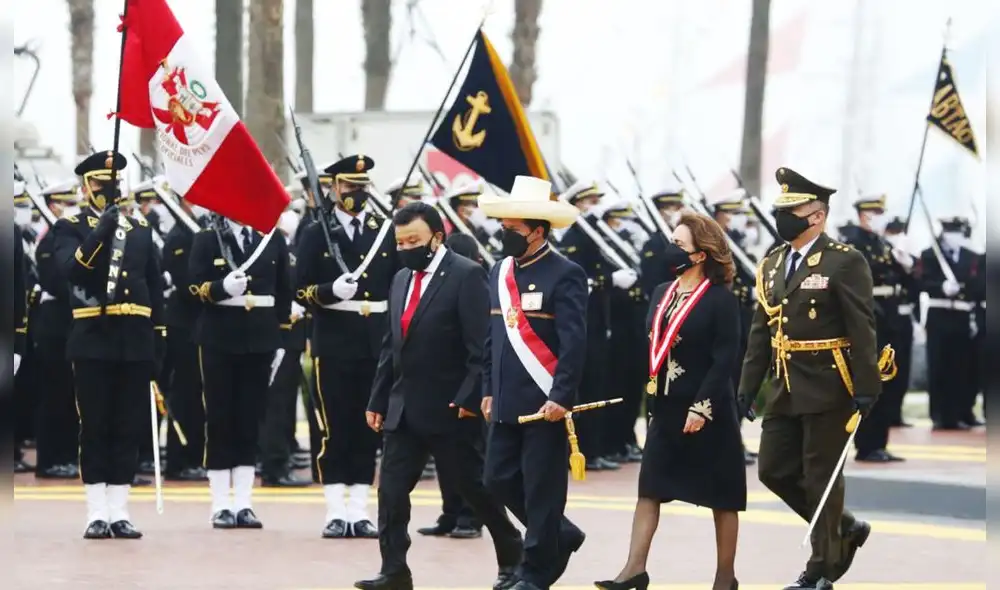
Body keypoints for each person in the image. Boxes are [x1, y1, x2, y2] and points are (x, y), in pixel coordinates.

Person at [355, 202, 522, 590]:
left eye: (413, 240)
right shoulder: (400, 279)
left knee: (473, 489)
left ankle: (511, 551)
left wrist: (468, 398)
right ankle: (394, 569)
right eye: (400, 242)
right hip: (403, 408)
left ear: (437, 237)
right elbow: (390, 346)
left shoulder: (466, 275)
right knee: (391, 492)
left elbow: (481, 346)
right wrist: (378, 399)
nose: (406, 247)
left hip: (451, 409)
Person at [737, 167, 881, 590]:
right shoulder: (773, 262)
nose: (783, 218)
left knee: (821, 476)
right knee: (773, 470)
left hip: (829, 382)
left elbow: (862, 327)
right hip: (784, 385)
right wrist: (747, 387)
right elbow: (761, 331)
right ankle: (845, 529)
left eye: (791, 210)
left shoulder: (844, 260)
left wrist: (867, 386)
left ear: (816, 216)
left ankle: (821, 569)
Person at [596, 211, 746, 590]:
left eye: (678, 244)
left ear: (700, 255)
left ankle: (725, 578)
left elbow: (725, 358)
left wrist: (703, 405)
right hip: (665, 407)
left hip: (706, 408)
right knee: (650, 489)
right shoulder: (664, 291)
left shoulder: (720, 299)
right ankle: (633, 570)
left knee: (722, 495)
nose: (669, 250)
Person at [50, 151, 166, 539]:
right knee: (95, 425)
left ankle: (119, 509)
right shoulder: (70, 226)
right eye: (101, 183)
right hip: (93, 338)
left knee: (128, 425)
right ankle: (96, 511)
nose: (109, 190)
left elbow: (153, 286)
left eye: (114, 182)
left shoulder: (140, 228)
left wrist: (158, 340)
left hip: (134, 338)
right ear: (86, 186)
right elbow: (71, 271)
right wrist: (101, 231)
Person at [479, 176, 588, 590]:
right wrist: (488, 387)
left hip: (545, 402)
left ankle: (537, 569)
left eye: (512, 230)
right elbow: (493, 337)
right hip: (506, 398)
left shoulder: (566, 273)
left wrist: (562, 395)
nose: (504, 236)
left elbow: (575, 342)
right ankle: (561, 533)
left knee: (542, 489)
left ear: (538, 231)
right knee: (496, 479)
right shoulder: (499, 272)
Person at [296, 154, 399, 538]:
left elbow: (395, 283)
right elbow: (299, 288)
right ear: (334, 188)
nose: (357, 193)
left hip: (375, 340)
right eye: (350, 187)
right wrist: (328, 292)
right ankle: (335, 508)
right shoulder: (314, 231)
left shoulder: (382, 229)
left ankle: (359, 507)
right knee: (335, 426)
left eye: (362, 187)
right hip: (335, 338)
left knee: (368, 426)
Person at [188, 213, 293, 529]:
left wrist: (282, 336)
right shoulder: (207, 237)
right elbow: (193, 286)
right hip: (219, 336)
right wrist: (220, 288)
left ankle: (244, 502)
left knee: (251, 418)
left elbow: (283, 290)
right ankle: (220, 503)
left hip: (260, 337)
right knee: (220, 419)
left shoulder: (271, 238)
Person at [413, 231, 488, 540]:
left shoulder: (473, 281)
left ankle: (472, 516)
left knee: (469, 455)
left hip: (467, 380)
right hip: (440, 380)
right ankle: (451, 512)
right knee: (445, 455)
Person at [556, 180, 629, 471]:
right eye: (589, 202)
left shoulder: (597, 236)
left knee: (598, 387)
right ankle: (583, 448)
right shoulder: (574, 238)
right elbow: (579, 281)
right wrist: (610, 281)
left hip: (601, 321)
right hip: (584, 323)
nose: (594, 207)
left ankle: (596, 448)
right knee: (586, 388)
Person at [838, 195, 912, 461]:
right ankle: (867, 444)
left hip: (890, 316)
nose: (879, 216)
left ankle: (879, 442)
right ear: (862, 214)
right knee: (871, 381)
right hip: (869, 316)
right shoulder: (853, 242)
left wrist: (904, 261)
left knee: (888, 379)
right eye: (874, 212)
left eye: (881, 212)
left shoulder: (881, 242)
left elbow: (902, 279)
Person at [30, 181, 82, 479]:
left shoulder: (62, 237)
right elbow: (55, 282)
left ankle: (64, 455)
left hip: (66, 324)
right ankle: (49, 460)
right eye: (68, 204)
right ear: (54, 206)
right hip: (53, 326)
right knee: (54, 396)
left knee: (67, 396)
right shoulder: (50, 240)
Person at [914, 217, 980, 430]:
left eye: (959, 232)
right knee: (938, 366)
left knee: (959, 368)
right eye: (952, 231)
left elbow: (978, 285)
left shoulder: (971, 257)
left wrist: (963, 289)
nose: (956, 236)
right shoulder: (930, 254)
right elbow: (921, 282)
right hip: (938, 315)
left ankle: (956, 414)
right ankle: (939, 414)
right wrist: (940, 285)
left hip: (961, 316)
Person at [160, 195, 208, 482]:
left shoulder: (197, 229)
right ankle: (180, 461)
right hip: (184, 326)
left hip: (198, 326)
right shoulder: (180, 235)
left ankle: (194, 456)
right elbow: (187, 283)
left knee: (196, 396)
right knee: (185, 395)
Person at [710, 190, 759, 466]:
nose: (733, 219)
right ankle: (725, 442)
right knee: (726, 381)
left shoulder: (736, 241)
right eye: (729, 213)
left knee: (740, 379)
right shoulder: (714, 242)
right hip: (726, 316)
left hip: (742, 316)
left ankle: (734, 437)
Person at [881, 217, 918, 427]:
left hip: (904, 318)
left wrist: (907, 265)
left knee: (902, 368)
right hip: (887, 317)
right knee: (887, 366)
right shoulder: (883, 254)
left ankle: (896, 412)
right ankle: (887, 412)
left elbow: (915, 285)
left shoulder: (904, 256)